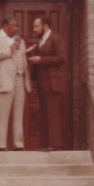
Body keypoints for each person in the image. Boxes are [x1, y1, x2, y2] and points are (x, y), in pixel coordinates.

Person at [0, 18, 30, 151]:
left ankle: (18, 144)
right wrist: (8, 51)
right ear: (5, 26)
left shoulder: (20, 41)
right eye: (13, 26)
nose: (16, 29)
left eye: (17, 26)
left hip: (19, 79)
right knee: (2, 115)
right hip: (3, 81)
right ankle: (1, 144)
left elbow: (22, 58)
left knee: (19, 114)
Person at [27, 16, 66, 151]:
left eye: (36, 26)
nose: (34, 29)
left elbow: (61, 58)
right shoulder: (41, 41)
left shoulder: (56, 38)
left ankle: (54, 144)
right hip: (42, 82)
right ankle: (44, 144)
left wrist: (41, 60)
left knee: (52, 113)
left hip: (52, 82)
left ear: (45, 25)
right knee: (43, 113)